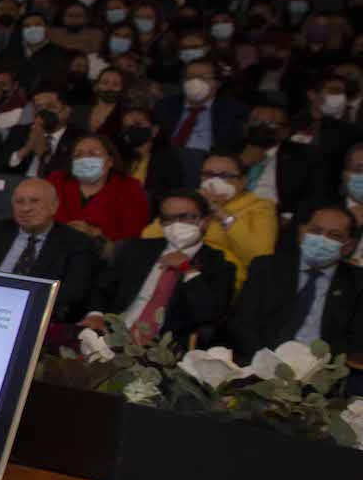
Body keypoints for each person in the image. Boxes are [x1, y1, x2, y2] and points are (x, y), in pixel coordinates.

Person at [83, 191, 237, 346]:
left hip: (165, 348)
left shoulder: (218, 264)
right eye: (168, 219)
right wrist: (95, 314)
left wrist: (188, 269)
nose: (177, 224)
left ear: (206, 220)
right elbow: (102, 287)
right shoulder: (136, 249)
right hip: (112, 334)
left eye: (186, 217)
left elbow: (210, 314)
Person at [224, 205, 363, 365]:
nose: (322, 239)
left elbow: (355, 340)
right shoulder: (267, 268)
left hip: (321, 371)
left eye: (334, 235)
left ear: (350, 246)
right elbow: (241, 324)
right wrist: (269, 361)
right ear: (301, 232)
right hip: (262, 362)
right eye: (316, 231)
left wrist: (316, 366)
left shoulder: (357, 283)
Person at [0, 178, 98, 322]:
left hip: (35, 316)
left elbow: (75, 291)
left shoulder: (76, 243)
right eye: (19, 202)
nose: (26, 209)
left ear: (54, 206)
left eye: (34, 201)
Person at [147, 151, 275, 285]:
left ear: (243, 181)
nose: (214, 181)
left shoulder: (260, 207)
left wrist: (222, 214)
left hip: (220, 275)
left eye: (225, 176)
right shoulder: (189, 199)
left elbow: (258, 257)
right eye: (208, 174)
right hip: (171, 264)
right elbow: (149, 237)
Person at [48, 133, 150, 244]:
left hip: (103, 255)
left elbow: (131, 237)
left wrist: (96, 233)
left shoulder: (130, 188)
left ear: (110, 161)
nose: (85, 159)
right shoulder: (57, 180)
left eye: (93, 154)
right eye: (78, 155)